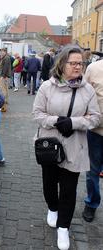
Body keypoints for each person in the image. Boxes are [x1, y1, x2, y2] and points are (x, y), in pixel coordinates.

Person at [32, 46, 101, 250]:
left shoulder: (87, 89)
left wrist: (74, 123)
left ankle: (64, 228)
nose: (78, 66)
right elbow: (37, 114)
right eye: (73, 63)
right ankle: (52, 208)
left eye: (81, 63)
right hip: (50, 146)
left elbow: (96, 118)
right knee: (49, 184)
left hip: (74, 147)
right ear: (62, 64)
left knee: (69, 190)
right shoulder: (46, 87)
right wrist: (57, 121)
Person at [82, 58, 103, 223]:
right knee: (92, 171)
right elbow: (83, 94)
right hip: (97, 131)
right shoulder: (94, 68)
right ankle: (92, 203)